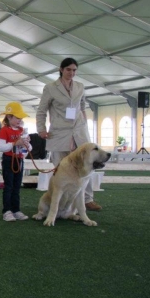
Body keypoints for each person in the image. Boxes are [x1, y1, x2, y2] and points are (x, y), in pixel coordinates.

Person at [36, 58, 101, 211]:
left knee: (87, 165)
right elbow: (41, 110)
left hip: (80, 131)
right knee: (60, 168)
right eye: (68, 70)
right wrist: (41, 129)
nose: (71, 73)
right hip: (59, 132)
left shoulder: (80, 86)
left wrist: (84, 122)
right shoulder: (50, 88)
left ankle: (87, 199)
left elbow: (82, 106)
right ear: (61, 69)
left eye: (74, 70)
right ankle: (59, 202)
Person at [0, 102, 32, 222]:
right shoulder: (4, 130)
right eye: (17, 117)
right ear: (9, 117)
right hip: (8, 160)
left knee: (17, 186)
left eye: (20, 118)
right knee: (9, 186)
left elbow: (29, 149)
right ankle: (7, 211)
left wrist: (27, 144)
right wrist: (14, 143)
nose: (19, 120)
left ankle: (16, 210)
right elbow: (1, 147)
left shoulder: (22, 131)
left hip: (19, 160)